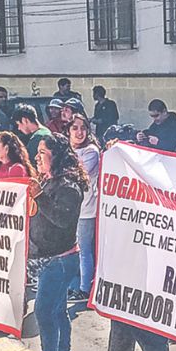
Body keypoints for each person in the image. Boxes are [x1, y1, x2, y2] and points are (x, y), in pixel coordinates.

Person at [28, 132, 88, 351]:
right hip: (48, 257)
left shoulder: (68, 186)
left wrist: (39, 196)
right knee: (58, 310)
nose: (38, 158)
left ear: (57, 156)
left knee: (44, 312)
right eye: (38, 152)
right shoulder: (50, 180)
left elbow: (63, 221)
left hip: (59, 260)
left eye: (43, 153)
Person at [68, 114, 100, 301]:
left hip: (87, 209)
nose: (79, 132)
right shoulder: (67, 149)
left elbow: (78, 175)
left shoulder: (90, 151)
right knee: (72, 249)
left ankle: (84, 289)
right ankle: (73, 285)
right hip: (69, 209)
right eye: (75, 128)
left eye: (83, 128)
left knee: (84, 249)